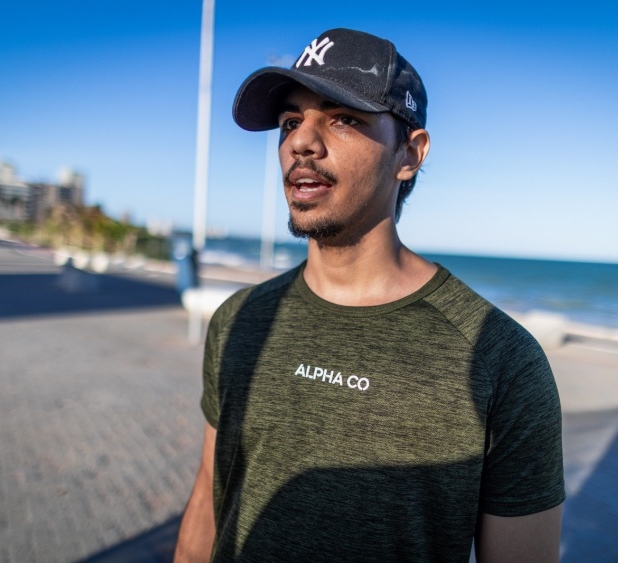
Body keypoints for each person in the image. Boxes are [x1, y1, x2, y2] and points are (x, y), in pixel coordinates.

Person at [175, 28, 565, 562]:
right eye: (291, 122)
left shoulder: (500, 361)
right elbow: (208, 499)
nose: (301, 142)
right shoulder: (240, 319)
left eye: (343, 119)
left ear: (410, 152)